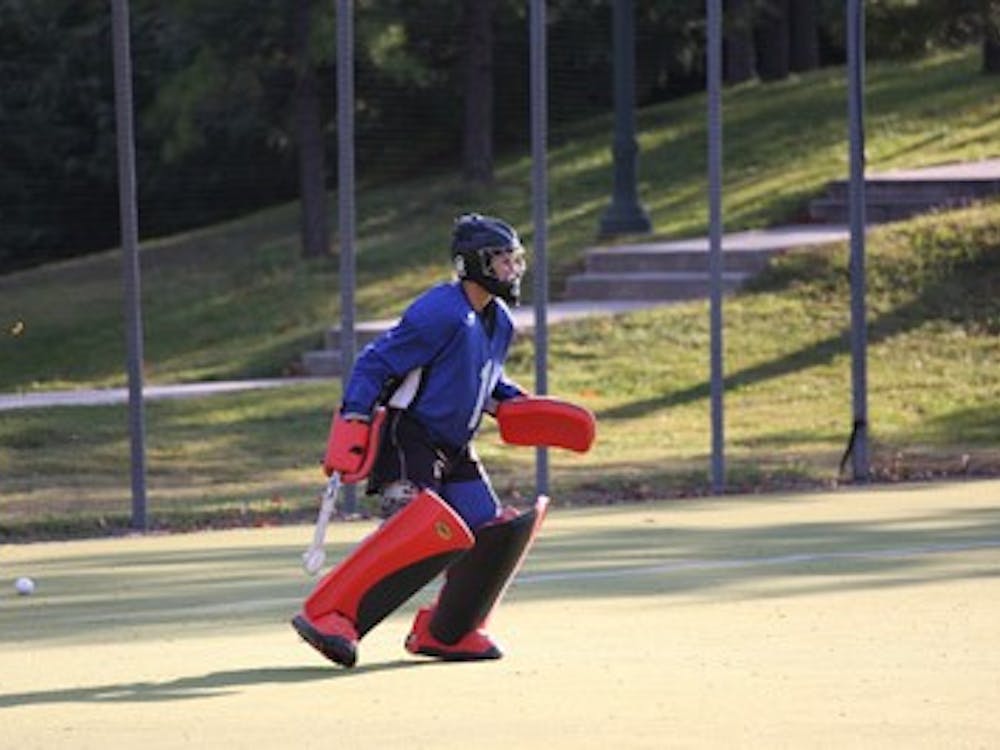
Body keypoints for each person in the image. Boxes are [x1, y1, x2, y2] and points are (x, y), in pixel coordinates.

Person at [291, 213, 589, 668]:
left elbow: (487, 379)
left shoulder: (499, 321)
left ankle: (448, 633)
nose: (511, 270)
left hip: (456, 445)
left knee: (494, 535)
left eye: (514, 260)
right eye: (501, 261)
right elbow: (376, 363)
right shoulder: (440, 311)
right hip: (411, 438)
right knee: (413, 532)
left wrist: (519, 404)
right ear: (472, 264)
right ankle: (331, 616)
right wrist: (352, 420)